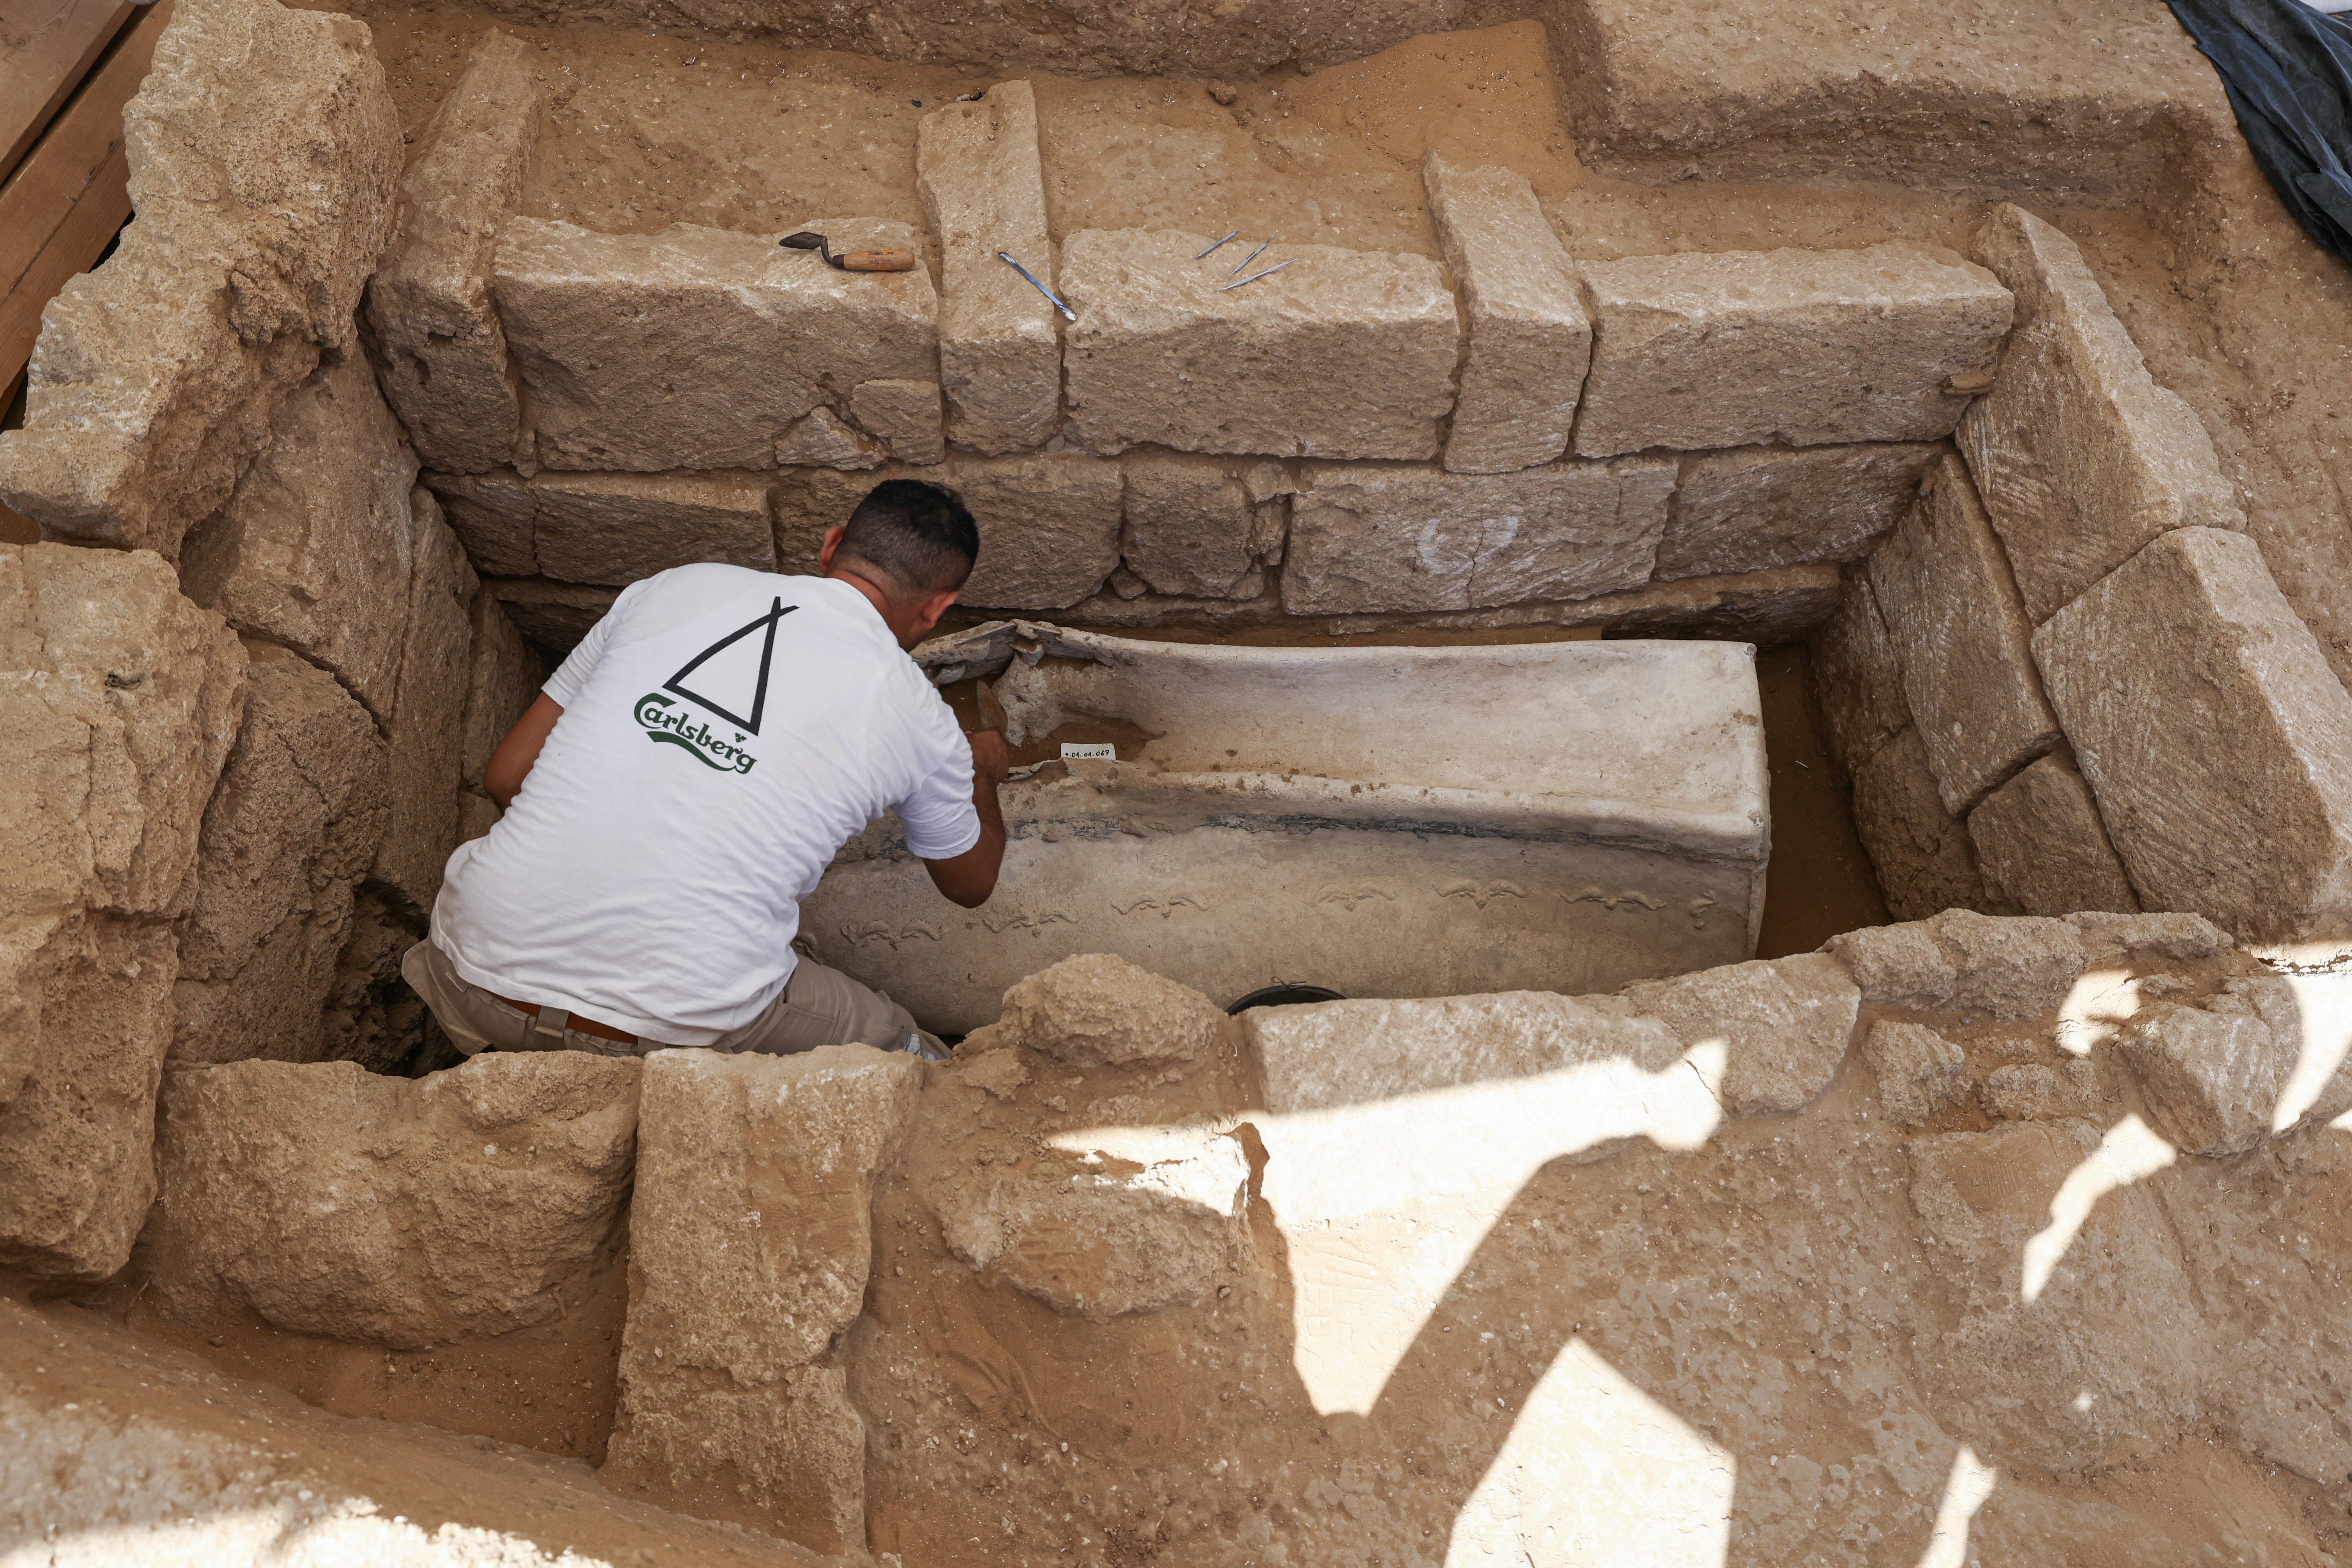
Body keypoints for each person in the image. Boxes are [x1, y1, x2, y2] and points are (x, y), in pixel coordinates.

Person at [401, 478, 1009, 1061]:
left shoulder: (671, 588)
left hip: (468, 976)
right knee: (899, 1041)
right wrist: (980, 772)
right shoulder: (918, 713)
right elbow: (970, 883)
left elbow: (506, 776)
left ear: (830, 544)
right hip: (676, 1026)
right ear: (937, 608)